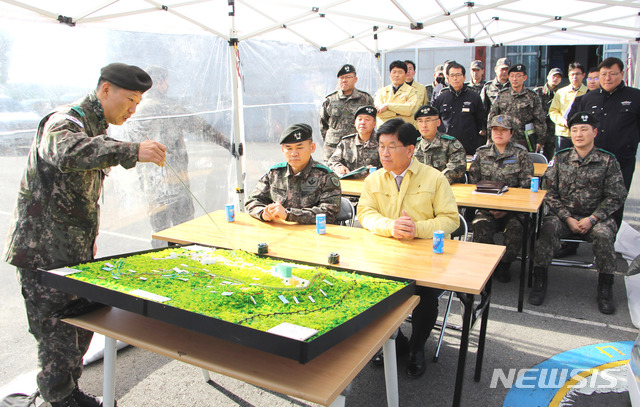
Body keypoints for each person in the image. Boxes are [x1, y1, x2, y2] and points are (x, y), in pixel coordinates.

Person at [2, 63, 167, 407]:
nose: (133, 110)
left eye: (138, 104)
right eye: (130, 100)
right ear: (106, 90)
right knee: (55, 336)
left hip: (72, 252)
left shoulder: (96, 128)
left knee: (78, 331)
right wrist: (132, 150)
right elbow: (66, 153)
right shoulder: (65, 121)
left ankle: (69, 392)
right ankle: (58, 399)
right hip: (42, 254)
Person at [357, 118, 459, 378]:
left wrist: (418, 229)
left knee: (424, 297)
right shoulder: (374, 179)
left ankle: (416, 347)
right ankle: (397, 341)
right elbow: (365, 213)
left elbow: (451, 219)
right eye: (381, 146)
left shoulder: (434, 178)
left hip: (425, 257)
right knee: (366, 288)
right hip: (385, 255)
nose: (385, 153)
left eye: (392, 146)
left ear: (411, 149)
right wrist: (391, 226)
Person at [528, 112, 627, 314]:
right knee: (547, 230)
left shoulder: (607, 161)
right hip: (564, 217)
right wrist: (567, 218)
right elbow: (548, 191)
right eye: (574, 130)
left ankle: (605, 286)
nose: (579, 134)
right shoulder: (560, 158)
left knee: (604, 236)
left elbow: (616, 196)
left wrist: (592, 219)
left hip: (596, 218)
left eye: (584, 129)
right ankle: (539, 279)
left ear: (595, 132)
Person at [126, 66, 234, 248]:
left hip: (152, 185)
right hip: (175, 181)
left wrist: (142, 182)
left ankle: (161, 267)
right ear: (160, 83)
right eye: (166, 81)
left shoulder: (136, 111)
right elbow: (201, 128)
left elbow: (133, 150)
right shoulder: (169, 107)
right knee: (185, 231)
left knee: (159, 232)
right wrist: (229, 145)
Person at [468, 115, 534, 283]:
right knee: (480, 226)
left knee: (516, 229)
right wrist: (490, 207)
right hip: (486, 208)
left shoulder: (521, 154)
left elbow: (527, 186)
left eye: (503, 130)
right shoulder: (482, 153)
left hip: (514, 211)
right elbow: (473, 185)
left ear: (511, 133)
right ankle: (489, 264)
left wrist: (506, 208)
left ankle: (505, 264)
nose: (498, 133)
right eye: (495, 130)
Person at [568, 57, 640, 205]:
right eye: (603, 74)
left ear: (622, 74)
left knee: (615, 201)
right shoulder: (587, 98)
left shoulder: (635, 97)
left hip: (621, 159)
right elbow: (572, 122)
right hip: (591, 161)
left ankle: (610, 229)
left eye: (612, 74)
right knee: (588, 201)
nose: (607, 78)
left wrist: (631, 142)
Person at [245, 123, 341, 224]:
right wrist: (263, 213)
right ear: (282, 149)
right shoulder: (275, 173)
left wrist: (289, 215)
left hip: (312, 234)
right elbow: (252, 201)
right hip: (280, 231)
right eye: (289, 148)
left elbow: (329, 213)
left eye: (299, 147)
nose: (294, 153)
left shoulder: (326, 176)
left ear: (312, 147)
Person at [488, 63, 546, 152]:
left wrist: (540, 140)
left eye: (518, 76)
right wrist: (490, 138)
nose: (514, 79)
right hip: (504, 140)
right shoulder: (502, 95)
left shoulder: (532, 96)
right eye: (512, 76)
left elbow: (539, 119)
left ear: (524, 78)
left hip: (524, 141)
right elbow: (492, 117)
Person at [320, 64, 374, 160]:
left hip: (355, 149)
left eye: (348, 77)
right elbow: (323, 125)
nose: (344, 80)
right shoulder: (330, 100)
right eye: (341, 78)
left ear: (355, 79)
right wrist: (330, 140)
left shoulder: (365, 99)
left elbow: (371, 122)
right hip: (333, 148)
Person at [433, 61, 487, 154]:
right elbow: (435, 121)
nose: (455, 78)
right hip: (445, 147)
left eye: (458, 75)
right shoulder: (441, 97)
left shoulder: (474, 97)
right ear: (448, 78)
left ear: (464, 77)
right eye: (452, 75)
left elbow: (480, 121)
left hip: (467, 147)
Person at [413, 105, 466, 184]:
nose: (424, 125)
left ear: (438, 122)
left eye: (428, 120)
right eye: (420, 121)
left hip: (445, 188)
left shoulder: (450, 143)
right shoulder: (413, 145)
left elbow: (457, 167)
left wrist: (435, 182)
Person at [327, 105, 381, 179]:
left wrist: (377, 172)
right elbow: (332, 161)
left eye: (367, 119)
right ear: (355, 123)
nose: (362, 122)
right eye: (360, 119)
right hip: (351, 186)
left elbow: (391, 166)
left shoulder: (381, 142)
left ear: (374, 124)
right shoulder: (346, 142)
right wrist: (339, 167)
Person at [548, 62, 588, 152]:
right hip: (563, 134)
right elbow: (553, 111)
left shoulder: (588, 93)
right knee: (562, 161)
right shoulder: (560, 92)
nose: (575, 77)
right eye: (572, 74)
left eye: (578, 74)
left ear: (583, 75)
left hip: (581, 135)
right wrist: (563, 121)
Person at [374, 60, 419, 127]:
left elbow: (409, 110)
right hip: (385, 129)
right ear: (390, 74)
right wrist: (400, 112)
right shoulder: (381, 92)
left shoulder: (411, 91)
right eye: (394, 72)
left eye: (400, 72)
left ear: (406, 74)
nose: (397, 75)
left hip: (403, 129)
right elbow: (378, 112)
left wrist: (387, 106)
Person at [534, 67, 563, 161]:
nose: (555, 78)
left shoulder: (561, 94)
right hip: (537, 130)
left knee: (549, 158)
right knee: (533, 157)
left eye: (558, 77)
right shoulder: (537, 91)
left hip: (551, 131)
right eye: (554, 76)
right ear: (548, 77)